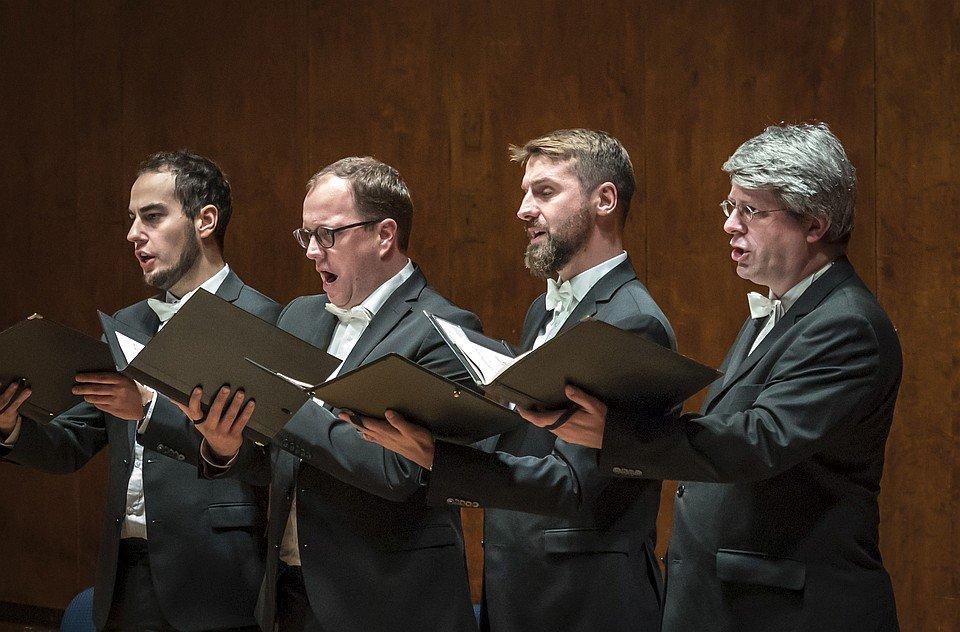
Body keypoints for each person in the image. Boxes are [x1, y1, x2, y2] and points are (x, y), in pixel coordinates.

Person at [527, 123, 902, 631]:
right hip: (738, 603)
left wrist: (620, 435)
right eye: (730, 206)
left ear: (814, 224)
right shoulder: (781, 311)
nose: (730, 224)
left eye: (751, 211)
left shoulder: (847, 324)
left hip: (793, 610)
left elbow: (759, 440)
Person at [143, 157, 479, 632]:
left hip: (389, 603)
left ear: (384, 235)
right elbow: (276, 460)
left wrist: (287, 403)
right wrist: (224, 443)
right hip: (292, 596)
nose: (312, 252)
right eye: (306, 236)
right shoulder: (300, 317)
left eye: (327, 235)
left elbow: (401, 472)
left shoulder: (442, 330)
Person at [357, 129, 673, 632]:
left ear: (604, 201)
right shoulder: (540, 310)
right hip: (519, 592)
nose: (524, 210)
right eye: (525, 193)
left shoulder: (632, 321)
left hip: (586, 605)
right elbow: (529, 441)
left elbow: (573, 485)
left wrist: (440, 458)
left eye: (544, 192)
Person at [0, 150, 278, 631]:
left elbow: (265, 458)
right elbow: (71, 443)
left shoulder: (264, 320)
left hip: (217, 581)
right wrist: (9, 427)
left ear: (205, 221)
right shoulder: (128, 322)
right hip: (125, 579)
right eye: (131, 219)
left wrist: (149, 410)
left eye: (152, 216)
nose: (133, 234)